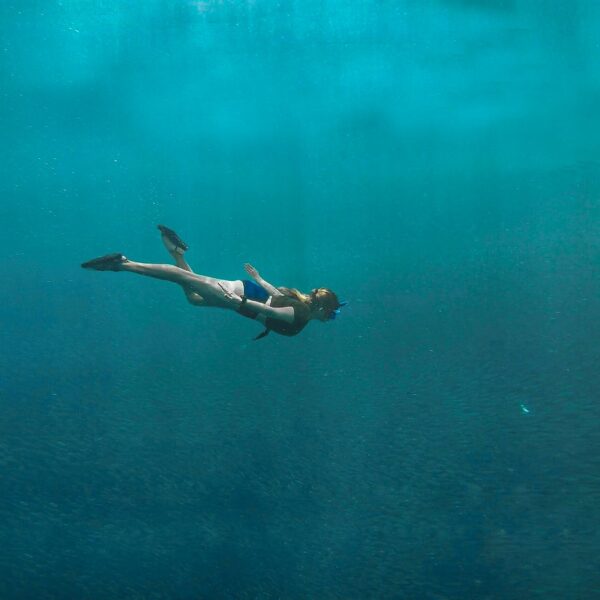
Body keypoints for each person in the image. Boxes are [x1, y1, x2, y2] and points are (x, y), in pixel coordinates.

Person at [81, 225, 346, 340]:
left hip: (246, 297)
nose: (330, 319)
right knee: (183, 278)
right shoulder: (300, 315)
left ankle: (177, 252)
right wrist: (241, 299)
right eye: (332, 315)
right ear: (323, 309)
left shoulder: (300, 307)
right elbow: (272, 311)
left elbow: (277, 296)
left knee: (193, 297)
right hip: (243, 298)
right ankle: (123, 263)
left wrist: (258, 279)